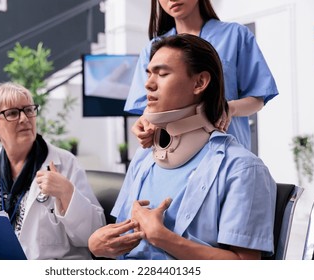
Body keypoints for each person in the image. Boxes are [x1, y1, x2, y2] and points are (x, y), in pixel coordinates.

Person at [88, 34, 276, 260]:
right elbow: (122, 237)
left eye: (163, 73)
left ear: (199, 83)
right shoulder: (144, 158)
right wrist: (97, 246)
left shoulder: (242, 169)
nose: (148, 83)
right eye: (148, 73)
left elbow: (247, 268)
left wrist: (163, 237)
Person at [0, 82, 105, 260]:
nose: (24, 118)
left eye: (29, 110)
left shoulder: (66, 163)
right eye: (12, 113)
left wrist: (67, 193)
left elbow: (94, 236)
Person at [126, 0, 278, 150]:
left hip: (224, 149)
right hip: (172, 153)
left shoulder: (235, 35)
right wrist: (146, 122)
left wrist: (228, 108)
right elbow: (147, 108)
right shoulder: (153, 48)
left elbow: (258, 97)